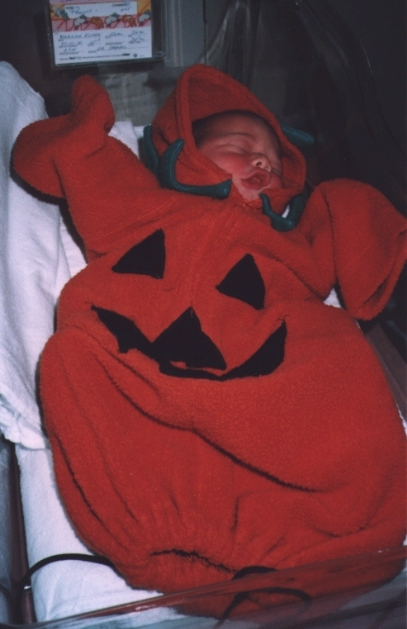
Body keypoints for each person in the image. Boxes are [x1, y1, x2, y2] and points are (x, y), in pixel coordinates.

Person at [12, 64, 406, 615]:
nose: (261, 162)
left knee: (341, 355)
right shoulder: (140, 202)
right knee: (74, 356)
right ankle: (172, 518)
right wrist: (84, 125)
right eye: (240, 147)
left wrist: (350, 208)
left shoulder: (292, 242)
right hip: (145, 370)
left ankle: (339, 527)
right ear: (182, 154)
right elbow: (61, 158)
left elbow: (352, 237)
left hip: (262, 366)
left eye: (272, 160)